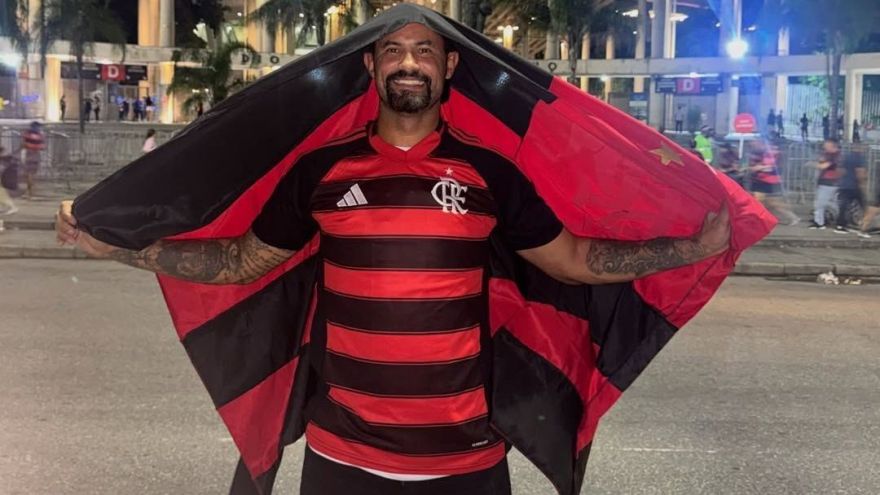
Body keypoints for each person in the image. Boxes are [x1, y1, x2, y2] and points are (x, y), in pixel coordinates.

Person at [55, 22, 733, 495]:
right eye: (393, 51)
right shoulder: (320, 172)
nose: (409, 62)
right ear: (371, 68)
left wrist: (689, 250)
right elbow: (239, 262)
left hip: (465, 460)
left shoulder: (491, 172)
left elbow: (574, 260)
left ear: (450, 67)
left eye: (425, 50)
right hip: (341, 457)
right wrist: (124, 248)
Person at [747, 140, 798, 225]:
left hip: (767, 181)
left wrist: (760, 167)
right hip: (762, 180)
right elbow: (756, 167)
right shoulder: (763, 154)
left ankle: (790, 216)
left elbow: (771, 168)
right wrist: (758, 168)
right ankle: (789, 216)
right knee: (767, 203)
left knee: (766, 202)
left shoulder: (774, 155)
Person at [834, 145, 868, 236]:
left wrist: (843, 179)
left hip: (844, 185)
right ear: (861, 148)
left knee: (844, 206)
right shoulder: (860, 158)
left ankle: (840, 225)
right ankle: (864, 225)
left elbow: (839, 170)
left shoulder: (847, 157)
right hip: (855, 186)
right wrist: (863, 185)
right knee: (863, 205)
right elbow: (860, 172)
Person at [811, 138, 841, 229]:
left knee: (820, 203)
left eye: (826, 145)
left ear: (832, 145)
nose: (824, 146)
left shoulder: (835, 156)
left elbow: (823, 166)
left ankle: (819, 223)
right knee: (831, 203)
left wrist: (812, 164)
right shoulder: (828, 154)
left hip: (829, 183)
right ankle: (840, 220)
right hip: (828, 182)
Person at [21, 121, 45, 199]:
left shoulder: (27, 134)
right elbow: (42, 147)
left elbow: (23, 144)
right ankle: (31, 193)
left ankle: (28, 192)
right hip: (35, 155)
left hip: (28, 155)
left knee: (28, 174)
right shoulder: (40, 135)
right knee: (33, 175)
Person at [0, 146, 19, 215]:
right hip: (8, 180)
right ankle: (5, 207)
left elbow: (1, 169)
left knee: (1, 193)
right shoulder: (7, 158)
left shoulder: (5, 159)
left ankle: (12, 207)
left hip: (9, 181)